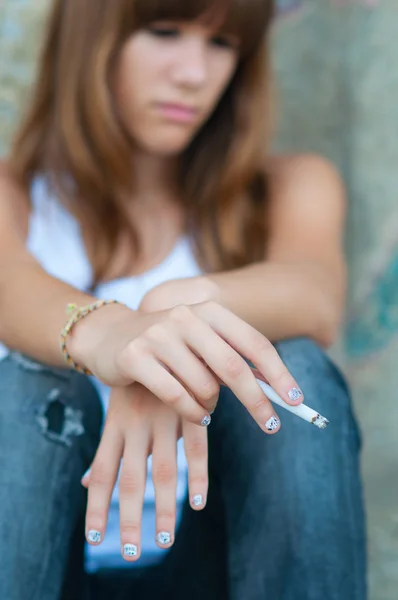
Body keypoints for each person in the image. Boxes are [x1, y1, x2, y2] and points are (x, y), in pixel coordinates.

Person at [0, 0, 367, 598]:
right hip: (42, 561)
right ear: (89, 39)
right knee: (28, 384)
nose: (195, 74)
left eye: (221, 46)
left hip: (214, 565)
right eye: (164, 32)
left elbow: (315, 295)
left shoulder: (289, 186)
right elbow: (10, 288)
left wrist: (174, 309)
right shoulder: (12, 193)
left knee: (293, 368)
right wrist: (114, 337)